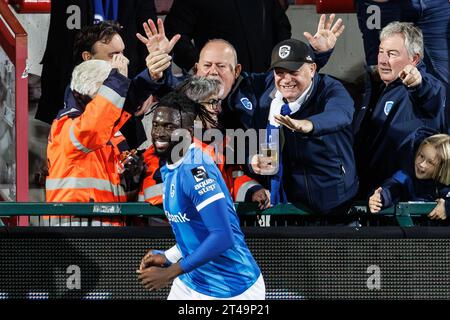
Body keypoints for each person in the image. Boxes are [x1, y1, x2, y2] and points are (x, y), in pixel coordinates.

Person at [137, 92, 265, 299]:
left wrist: (170, 272)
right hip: (192, 281)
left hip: (232, 288)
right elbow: (196, 231)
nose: (159, 133)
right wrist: (168, 256)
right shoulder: (170, 166)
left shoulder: (194, 169)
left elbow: (223, 236)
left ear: (187, 132)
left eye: (169, 127)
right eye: (156, 125)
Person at [251, 39, 359, 216]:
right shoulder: (271, 102)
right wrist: (254, 162)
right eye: (280, 73)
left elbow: (341, 114)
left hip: (336, 203)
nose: (286, 80)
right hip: (290, 205)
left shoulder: (330, 88)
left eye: (294, 71)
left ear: (312, 69)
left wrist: (309, 125)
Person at [139, 76, 270, 211]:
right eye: (212, 103)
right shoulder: (169, 146)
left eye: (218, 102)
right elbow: (155, 192)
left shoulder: (221, 144)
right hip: (170, 229)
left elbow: (233, 179)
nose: (218, 109)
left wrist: (252, 191)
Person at [354, 21, 446, 198]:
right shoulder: (375, 87)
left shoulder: (427, 86)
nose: (382, 59)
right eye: (381, 51)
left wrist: (418, 83)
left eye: (392, 54)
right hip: (372, 197)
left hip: (403, 201)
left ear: (414, 59)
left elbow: (429, 94)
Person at [36, 0, 158, 125]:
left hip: (126, 83)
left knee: (119, 139)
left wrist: (146, 88)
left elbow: (148, 35)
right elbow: (64, 45)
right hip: (78, 83)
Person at [45, 58, 133, 226]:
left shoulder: (108, 131)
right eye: (106, 90)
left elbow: (116, 109)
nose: (112, 97)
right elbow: (94, 124)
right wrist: (117, 80)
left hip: (105, 225)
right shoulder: (67, 127)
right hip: (73, 229)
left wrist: (151, 77)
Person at [355, 0, 450, 129]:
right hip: (382, 5)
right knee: (381, 77)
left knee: (443, 86)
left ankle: (439, 145)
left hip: (435, 4)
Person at [163, 0, 292, 73]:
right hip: (219, 84)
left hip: (263, 81)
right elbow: (175, 34)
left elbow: (281, 27)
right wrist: (199, 67)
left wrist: (277, 63)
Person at [369, 128, 450, 221]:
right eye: (421, 156)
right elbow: (393, 187)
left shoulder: (446, 187)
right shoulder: (405, 177)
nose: (421, 164)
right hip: (408, 233)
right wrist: (380, 198)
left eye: (430, 162)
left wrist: (447, 207)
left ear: (443, 168)